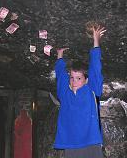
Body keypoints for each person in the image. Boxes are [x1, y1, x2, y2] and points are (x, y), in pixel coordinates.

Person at [53, 25, 106, 158]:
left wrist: (96, 41)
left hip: (91, 142)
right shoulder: (65, 94)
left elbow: (95, 68)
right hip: (71, 144)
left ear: (86, 80)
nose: (74, 81)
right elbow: (60, 76)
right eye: (72, 78)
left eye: (78, 78)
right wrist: (60, 56)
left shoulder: (92, 90)